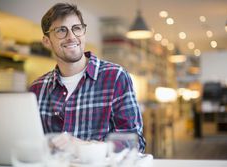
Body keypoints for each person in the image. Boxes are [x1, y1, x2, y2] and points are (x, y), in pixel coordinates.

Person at [29, 2, 145, 152]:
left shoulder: (115, 76)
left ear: (83, 32)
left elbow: (135, 142)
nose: (71, 37)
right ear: (46, 41)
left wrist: (85, 146)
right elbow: (28, 142)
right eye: (61, 31)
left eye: (76, 29)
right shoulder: (37, 88)